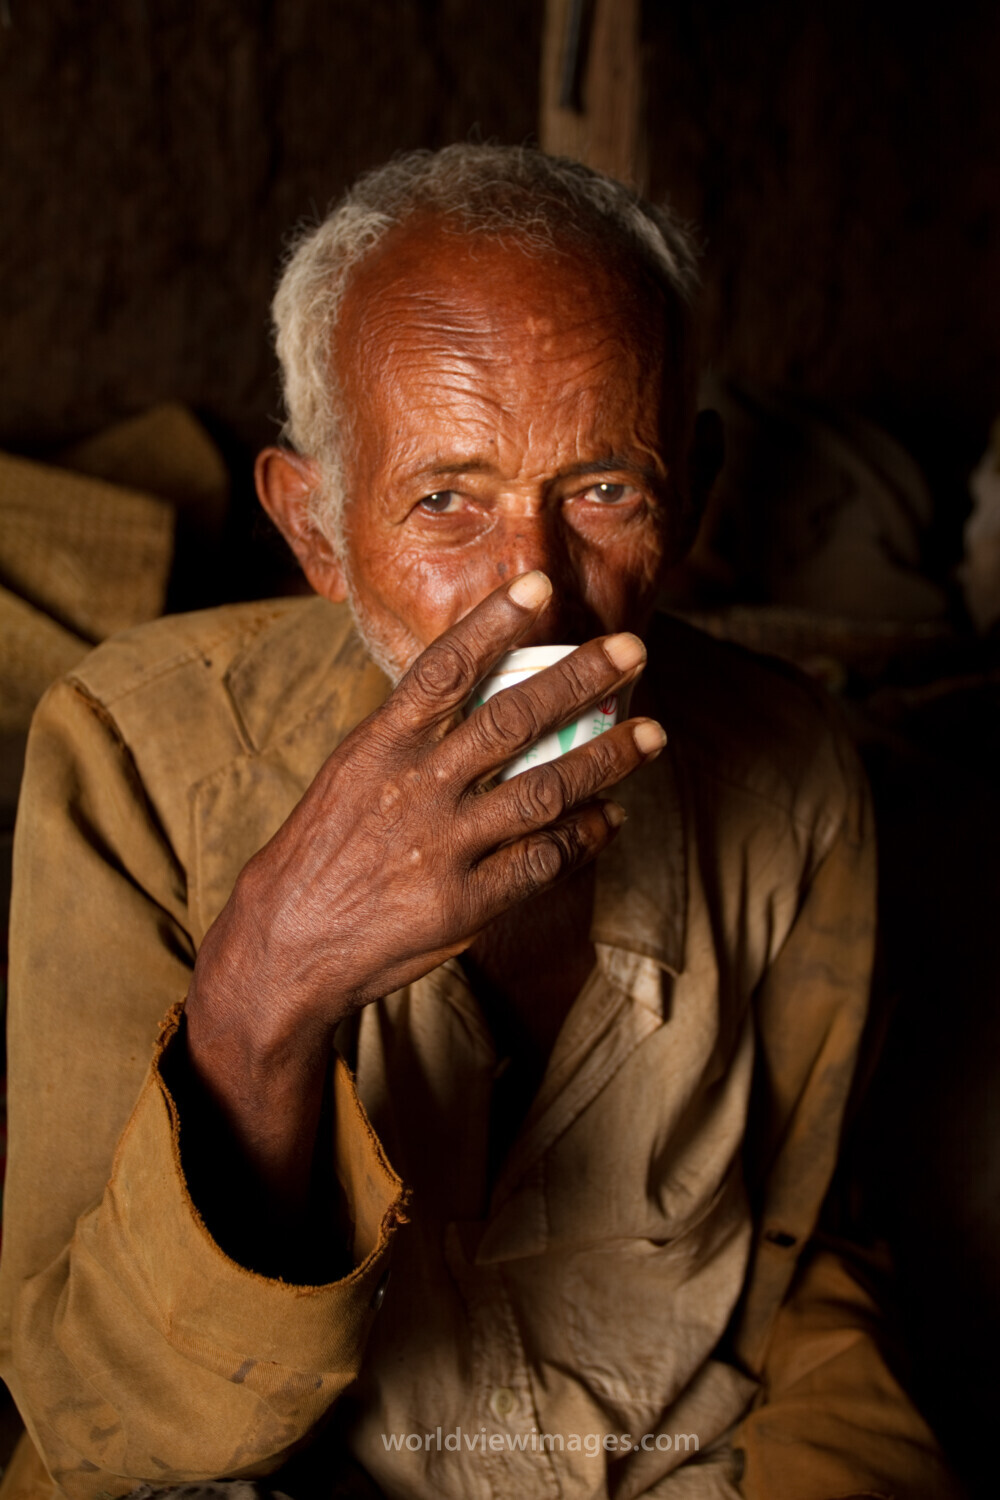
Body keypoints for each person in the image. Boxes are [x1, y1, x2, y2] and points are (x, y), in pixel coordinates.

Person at [0, 146, 961, 1500]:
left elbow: (799, 1272)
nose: (535, 590)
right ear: (314, 525)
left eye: (602, 490)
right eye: (446, 499)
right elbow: (95, 1426)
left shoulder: (794, 774)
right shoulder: (135, 762)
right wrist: (259, 998)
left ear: (692, 488)